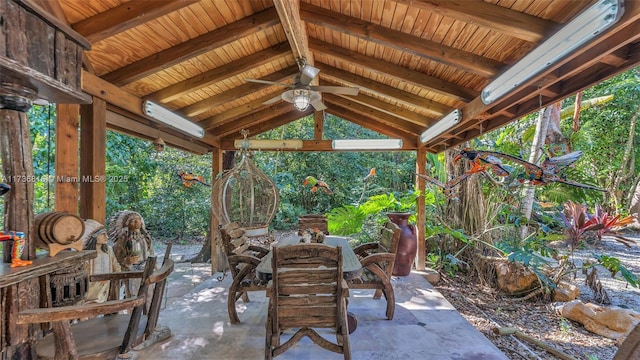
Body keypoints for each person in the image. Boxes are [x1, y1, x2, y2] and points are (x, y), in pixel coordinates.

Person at [81, 219, 121, 303]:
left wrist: (115, 278)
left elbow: (116, 266)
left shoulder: (108, 250)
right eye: (103, 235)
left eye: (106, 234)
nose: (107, 237)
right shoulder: (86, 255)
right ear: (93, 237)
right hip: (90, 290)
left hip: (106, 288)